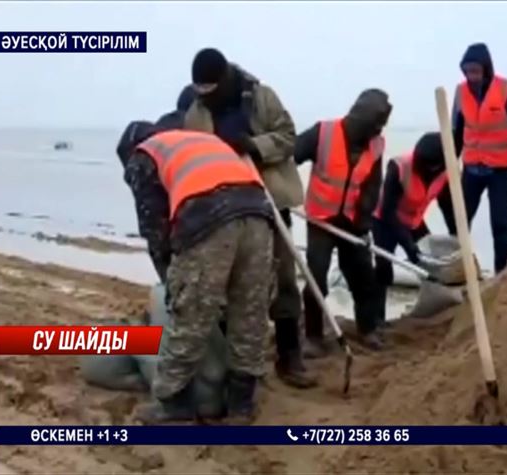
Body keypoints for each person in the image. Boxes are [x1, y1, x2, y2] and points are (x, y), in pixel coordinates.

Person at [116, 121, 275, 424]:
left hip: (210, 217)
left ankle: (174, 402)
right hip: (258, 213)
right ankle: (241, 405)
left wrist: (171, 284)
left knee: (191, 313)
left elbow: (155, 230)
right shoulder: (198, 140)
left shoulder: (143, 155)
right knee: (249, 312)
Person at [176, 48, 316, 389]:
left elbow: (288, 137)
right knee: (228, 282)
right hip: (225, 207)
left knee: (283, 277)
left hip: (269, 198)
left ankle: (289, 355)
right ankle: (231, 361)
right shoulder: (196, 113)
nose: (206, 99)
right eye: (200, 92)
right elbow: (193, 158)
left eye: (211, 91)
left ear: (224, 79)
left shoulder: (261, 97)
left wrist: (254, 146)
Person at [293, 89, 392, 357]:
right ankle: (313, 336)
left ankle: (367, 329)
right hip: (320, 220)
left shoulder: (375, 145)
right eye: (376, 125)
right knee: (316, 276)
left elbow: (373, 185)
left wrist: (363, 221)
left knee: (363, 278)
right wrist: (282, 190)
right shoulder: (323, 133)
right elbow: (293, 154)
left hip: (352, 220)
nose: (378, 131)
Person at [452, 42, 507, 274]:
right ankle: (462, 269)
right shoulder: (460, 92)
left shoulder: (506, 89)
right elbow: (456, 131)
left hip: (498, 169)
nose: (472, 76)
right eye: (467, 72)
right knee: (460, 221)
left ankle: (500, 271)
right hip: (471, 169)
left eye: (475, 71)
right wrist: (450, 162)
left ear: (486, 69)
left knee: (500, 224)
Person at [371, 132, 457, 327]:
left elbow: (448, 209)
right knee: (384, 268)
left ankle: (433, 308)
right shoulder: (399, 167)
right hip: (385, 220)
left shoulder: (445, 173)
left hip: (414, 221)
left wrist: (457, 238)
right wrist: (409, 246)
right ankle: (377, 320)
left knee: (431, 263)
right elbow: (388, 212)